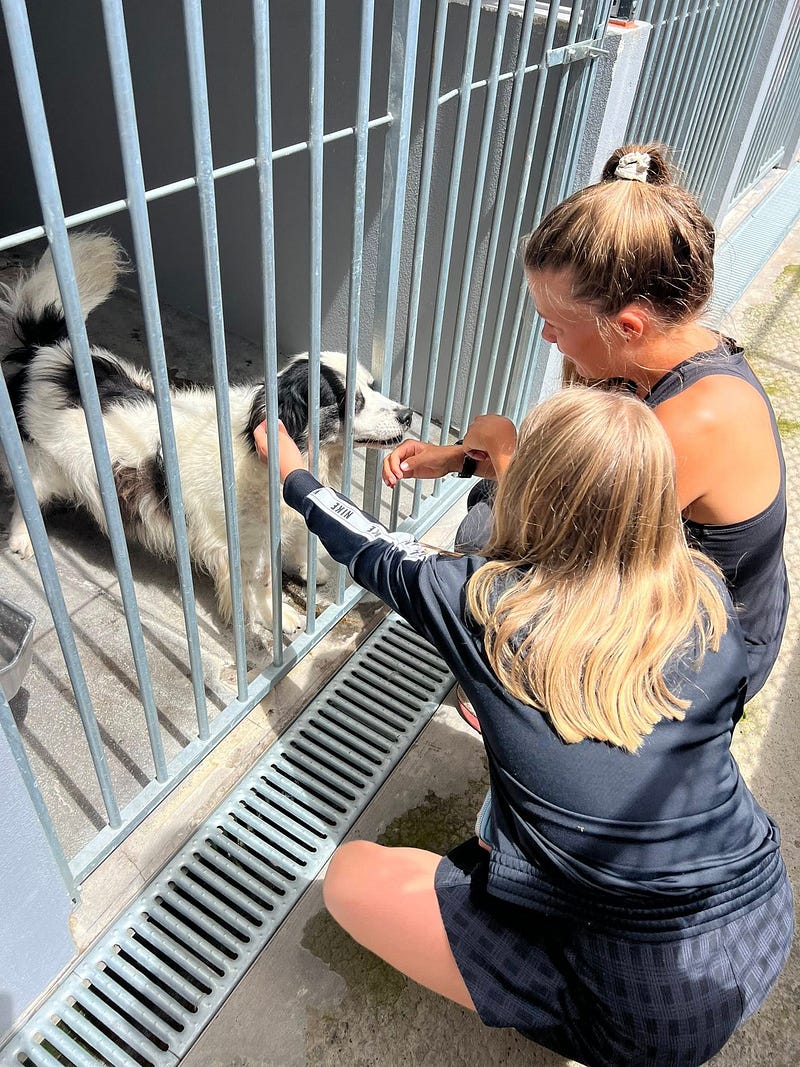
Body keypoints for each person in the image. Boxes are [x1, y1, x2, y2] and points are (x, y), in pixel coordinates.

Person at [254, 389, 792, 1067]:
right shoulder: (703, 591)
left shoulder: (487, 605)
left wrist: (290, 468)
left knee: (351, 877)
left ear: (534, 491)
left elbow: (363, 542)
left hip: (652, 1010)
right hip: (764, 916)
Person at [383, 143, 788, 704]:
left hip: (706, 645)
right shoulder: (652, 357)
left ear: (627, 325)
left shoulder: (696, 420)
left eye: (553, 322)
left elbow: (555, 540)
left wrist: (502, 445)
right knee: (484, 515)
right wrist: (458, 457)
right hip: (643, 570)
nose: (546, 337)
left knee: (490, 555)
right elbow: (565, 470)